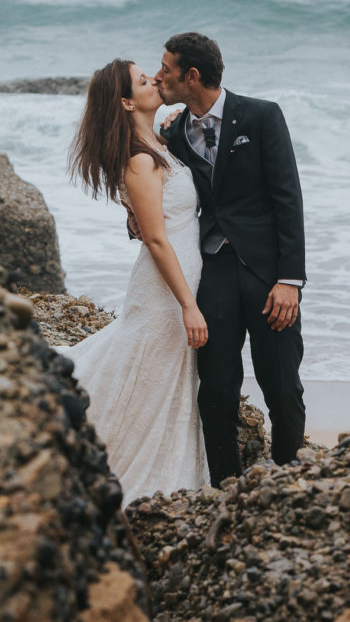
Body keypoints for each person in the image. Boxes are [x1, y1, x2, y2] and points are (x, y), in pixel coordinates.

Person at [153, 32, 306, 488]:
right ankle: (226, 487)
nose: (159, 75)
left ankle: (288, 482)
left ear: (192, 76)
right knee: (216, 389)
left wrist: (290, 279)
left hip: (268, 274)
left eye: (166, 69)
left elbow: (288, 199)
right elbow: (166, 192)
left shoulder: (261, 116)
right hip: (213, 270)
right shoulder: (175, 132)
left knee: (281, 386)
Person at [62, 58, 209, 504]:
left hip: (179, 281)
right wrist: (189, 304)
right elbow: (157, 240)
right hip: (165, 291)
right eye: (144, 81)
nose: (155, 80)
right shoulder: (140, 162)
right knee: (148, 382)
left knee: (163, 383)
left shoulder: (158, 145)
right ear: (127, 102)